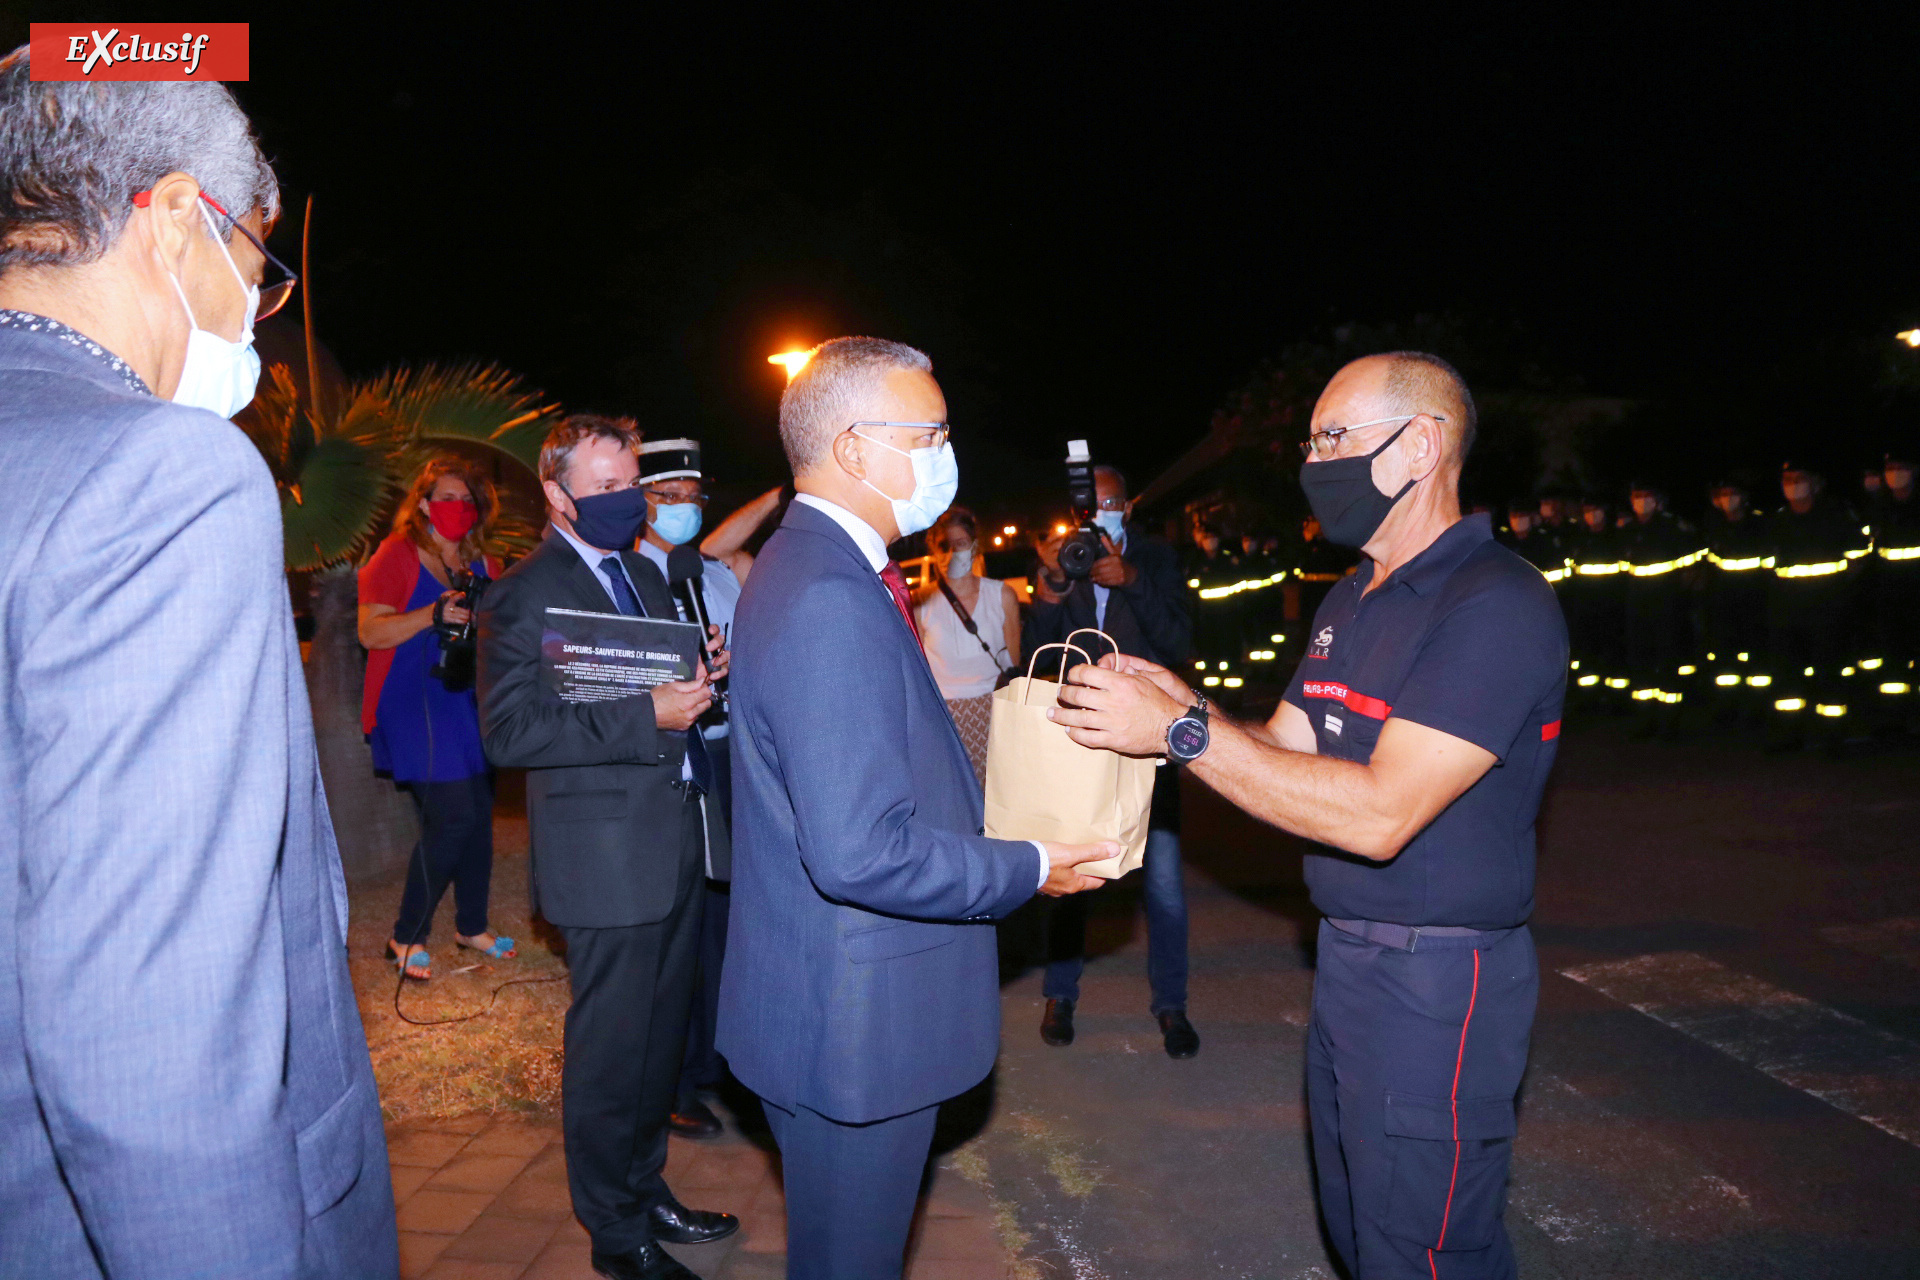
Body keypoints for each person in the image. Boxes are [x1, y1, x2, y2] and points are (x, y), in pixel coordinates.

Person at [0, 52, 396, 1277]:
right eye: (258, 270)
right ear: (175, 218)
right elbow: (151, 1030)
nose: (254, 321)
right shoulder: (162, 475)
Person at [1052, 352, 1565, 1280]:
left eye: (1336, 438)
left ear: (1423, 445)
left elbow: (1379, 815)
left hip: (1437, 982)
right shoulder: (1354, 594)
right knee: (1359, 1229)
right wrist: (1177, 703)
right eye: (1312, 440)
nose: (1314, 463)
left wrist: (1178, 730)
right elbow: (1285, 748)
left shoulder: (1495, 603)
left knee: (1427, 1250)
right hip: (1349, 964)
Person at [716, 336, 1112, 1280]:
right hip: (856, 1027)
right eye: (929, 432)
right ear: (854, 448)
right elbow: (858, 851)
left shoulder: (811, 566)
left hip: (827, 1001)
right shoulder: (826, 593)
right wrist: (1031, 865)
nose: (945, 451)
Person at [477, 415, 737, 1280]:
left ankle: (644, 1187)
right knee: (611, 1053)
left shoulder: (642, 573)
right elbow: (509, 732)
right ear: (556, 494)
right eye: (609, 487)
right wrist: (645, 713)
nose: (630, 501)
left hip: (670, 842)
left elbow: (654, 684)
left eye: (634, 482)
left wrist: (697, 675)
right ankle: (613, 1231)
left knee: (659, 1043)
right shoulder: (523, 591)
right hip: (603, 862)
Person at [1027, 463, 1199, 1056]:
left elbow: (1178, 642)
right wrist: (1050, 587)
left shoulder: (1154, 559)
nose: (1097, 514)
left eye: (1109, 503)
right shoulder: (1066, 559)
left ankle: (1172, 1006)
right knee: (1079, 876)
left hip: (1151, 740)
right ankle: (1060, 994)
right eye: (1088, 505)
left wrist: (1130, 581)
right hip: (1085, 737)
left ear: (1125, 508)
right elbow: (1034, 649)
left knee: (1166, 885)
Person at [359, 456, 512, 979]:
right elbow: (370, 633)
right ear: (423, 503)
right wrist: (433, 614)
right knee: (453, 816)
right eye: (446, 497)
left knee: (478, 817)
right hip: (410, 704)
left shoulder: (484, 564)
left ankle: (471, 926)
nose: (458, 507)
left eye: (467, 499)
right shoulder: (396, 555)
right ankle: (405, 937)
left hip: (466, 702)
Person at [629, 436, 743, 1140]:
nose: (681, 510)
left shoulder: (715, 575)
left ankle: (715, 1064)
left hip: (729, 762)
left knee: (725, 923)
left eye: (691, 499)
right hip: (670, 770)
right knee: (680, 930)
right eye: (665, 499)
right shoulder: (627, 577)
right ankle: (672, 1080)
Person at [1763, 463, 1868, 751]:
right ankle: (1789, 734)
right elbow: (1766, 568)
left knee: (1829, 675)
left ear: (1816, 483)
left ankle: (1832, 736)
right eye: (1787, 479)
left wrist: (1838, 596)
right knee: (1788, 677)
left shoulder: (1836, 516)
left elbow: (1858, 558)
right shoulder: (1777, 521)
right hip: (1787, 613)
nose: (1793, 485)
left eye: (1800, 479)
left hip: (1828, 609)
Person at [915, 504, 1022, 786]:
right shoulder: (920, 601)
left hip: (996, 712)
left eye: (960, 544)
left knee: (1002, 797)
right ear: (934, 551)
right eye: (943, 546)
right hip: (946, 719)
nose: (952, 554)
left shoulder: (1002, 595)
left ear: (974, 547)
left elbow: (1014, 664)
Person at [1617, 482, 1699, 735]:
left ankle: (1670, 721)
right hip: (1637, 608)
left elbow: (1691, 568)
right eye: (1636, 496)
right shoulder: (1628, 530)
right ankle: (1645, 719)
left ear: (1658, 499)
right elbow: (1624, 571)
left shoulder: (1672, 528)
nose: (1641, 501)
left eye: (1646, 495)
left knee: (1667, 663)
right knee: (1641, 664)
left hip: (1667, 607)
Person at [1702, 478, 1772, 723]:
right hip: (1723, 602)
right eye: (1723, 494)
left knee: (1756, 658)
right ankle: (1727, 707)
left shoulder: (1760, 523)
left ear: (1744, 496)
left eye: (1733, 493)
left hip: (1755, 600)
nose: (1728, 499)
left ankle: (1758, 708)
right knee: (1725, 659)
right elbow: (1708, 564)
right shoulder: (1713, 525)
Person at [1868, 456, 1918, 732]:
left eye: (1901, 467)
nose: (1895, 474)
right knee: (1894, 662)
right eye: (1890, 468)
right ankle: (1895, 719)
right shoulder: (1879, 506)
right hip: (1890, 595)